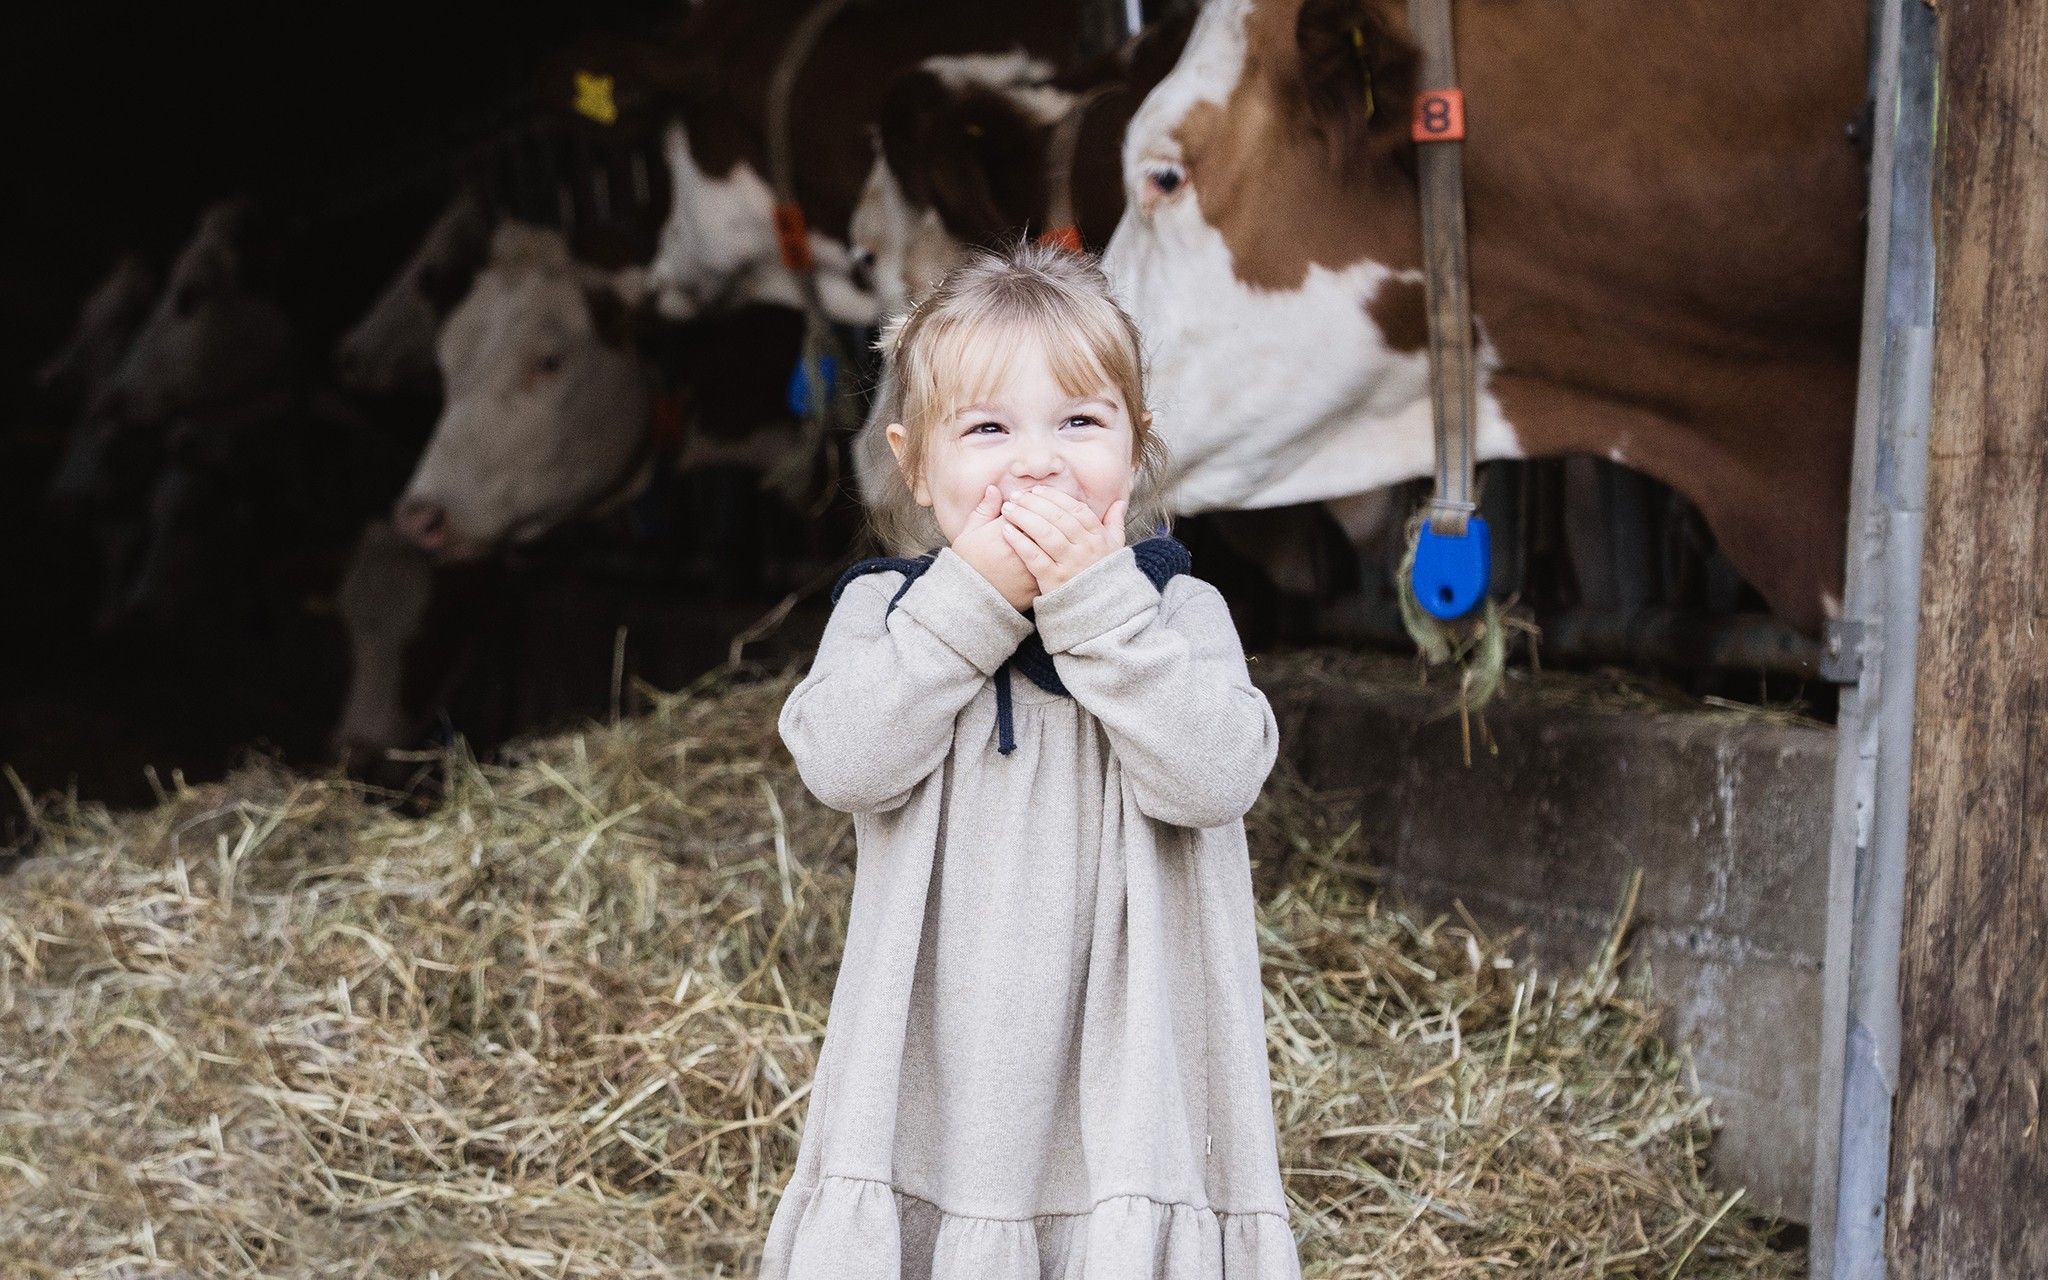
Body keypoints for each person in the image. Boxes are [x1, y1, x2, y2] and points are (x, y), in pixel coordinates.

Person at [762, 239, 1300, 1278]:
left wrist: (1094, 605)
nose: (1037, 459)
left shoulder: (1175, 611)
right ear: (914, 464)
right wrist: (971, 599)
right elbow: (841, 760)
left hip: (1129, 1091)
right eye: (988, 428)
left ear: (1134, 449)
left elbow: (1217, 774)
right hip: (937, 1091)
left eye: (1080, 422)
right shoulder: (887, 613)